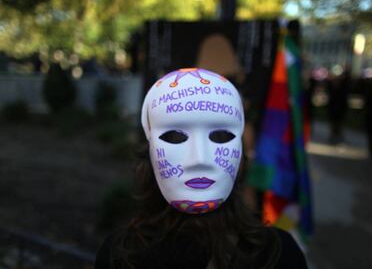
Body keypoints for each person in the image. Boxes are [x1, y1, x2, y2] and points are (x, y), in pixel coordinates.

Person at [94, 68, 307, 269]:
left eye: (220, 136)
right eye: (175, 137)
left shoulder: (120, 254)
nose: (199, 159)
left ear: (240, 154)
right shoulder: (279, 254)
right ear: (150, 152)